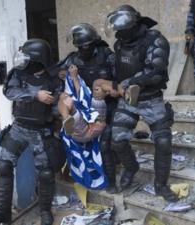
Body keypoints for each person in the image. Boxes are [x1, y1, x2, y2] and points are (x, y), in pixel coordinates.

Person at [105, 4, 178, 202]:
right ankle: (131, 167)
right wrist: (111, 85)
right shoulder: (120, 44)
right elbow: (118, 71)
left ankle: (161, 185)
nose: (118, 33)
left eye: (121, 29)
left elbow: (155, 70)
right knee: (117, 140)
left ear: (132, 25)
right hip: (127, 100)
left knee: (163, 142)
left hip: (151, 98)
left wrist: (129, 82)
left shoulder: (155, 40)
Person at [0, 39, 63, 225]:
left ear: (38, 59)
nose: (22, 59)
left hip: (41, 131)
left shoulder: (53, 79)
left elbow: (58, 104)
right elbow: (10, 92)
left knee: (45, 173)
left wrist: (54, 111)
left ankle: (44, 211)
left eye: (27, 56)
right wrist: (36, 95)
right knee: (3, 166)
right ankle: (2, 213)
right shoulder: (17, 74)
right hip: (19, 128)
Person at [57, 23, 120, 193]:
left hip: (108, 106)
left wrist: (109, 92)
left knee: (105, 142)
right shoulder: (73, 59)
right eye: (80, 46)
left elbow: (119, 81)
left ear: (94, 42)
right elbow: (58, 76)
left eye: (87, 45)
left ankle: (111, 181)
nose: (84, 49)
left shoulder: (107, 56)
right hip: (85, 107)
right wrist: (66, 76)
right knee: (67, 108)